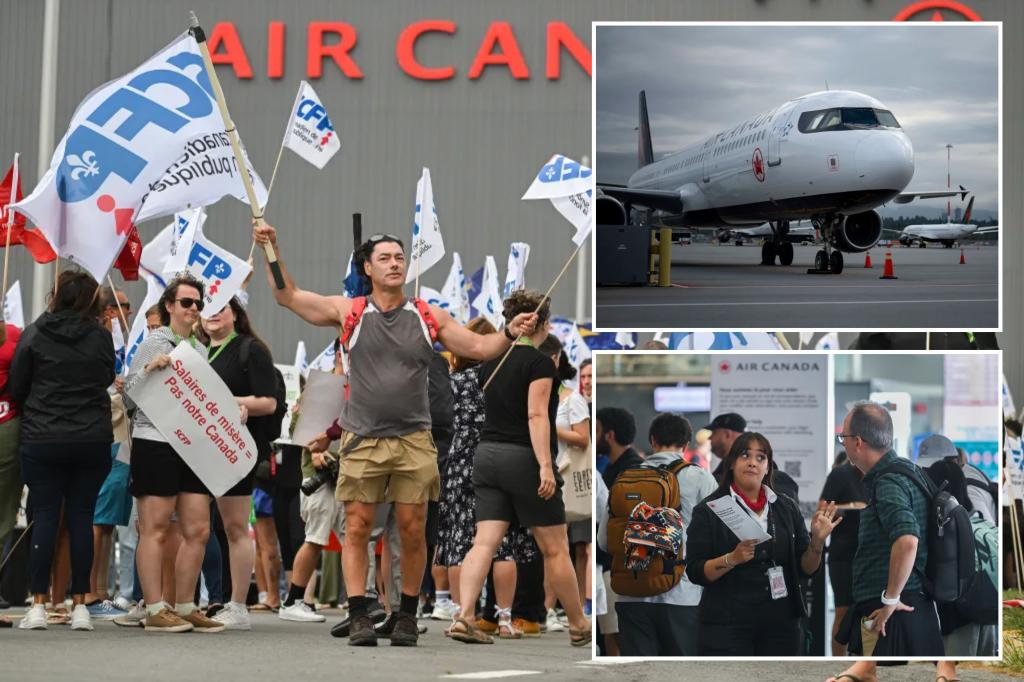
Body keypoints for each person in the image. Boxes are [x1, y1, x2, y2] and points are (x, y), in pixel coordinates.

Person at [253, 223, 537, 647]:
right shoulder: (348, 311)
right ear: (367, 267)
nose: (394, 264)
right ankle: (358, 614)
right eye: (384, 258)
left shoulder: (427, 314)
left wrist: (511, 332)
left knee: (412, 527)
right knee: (357, 526)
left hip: (413, 440)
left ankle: (405, 615)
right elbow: (287, 296)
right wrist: (271, 248)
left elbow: (478, 349)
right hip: (362, 438)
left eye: (399, 258)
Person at [447, 291, 590, 647]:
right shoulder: (541, 364)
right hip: (522, 457)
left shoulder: (490, 361)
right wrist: (545, 465)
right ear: (540, 322)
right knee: (555, 547)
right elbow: (537, 414)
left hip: (486, 455)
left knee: (484, 543)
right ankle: (577, 623)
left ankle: (465, 615)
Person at [11, 270, 116, 631]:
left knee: (45, 518)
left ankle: (38, 604)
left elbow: (17, 383)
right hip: (90, 438)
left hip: (42, 436)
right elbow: (106, 377)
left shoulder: (36, 332)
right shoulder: (100, 336)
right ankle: (80, 606)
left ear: (56, 295)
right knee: (81, 519)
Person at [124, 275, 227, 634]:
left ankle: (185, 604)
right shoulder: (155, 340)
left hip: (191, 445)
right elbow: (127, 398)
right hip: (155, 439)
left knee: (198, 527)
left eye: (199, 303)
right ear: (169, 307)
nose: (194, 309)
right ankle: (154, 607)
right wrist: (149, 372)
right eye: (187, 302)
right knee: (154, 527)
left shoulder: (200, 349)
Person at [686, 432, 840, 656]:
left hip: (780, 623)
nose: (752, 462)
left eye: (761, 457)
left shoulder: (785, 507)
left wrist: (817, 541)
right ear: (731, 464)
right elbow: (695, 571)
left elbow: (806, 569)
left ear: (768, 467)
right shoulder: (709, 509)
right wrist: (732, 559)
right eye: (745, 455)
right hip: (727, 624)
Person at [829, 402, 943, 682]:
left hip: (894, 614)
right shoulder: (907, 471)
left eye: (842, 438)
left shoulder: (888, 481)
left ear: (857, 442)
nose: (842, 444)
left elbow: (907, 539)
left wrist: (890, 599)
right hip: (908, 605)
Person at [433, 317, 526, 639]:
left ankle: (463, 614)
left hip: (460, 463)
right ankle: (504, 618)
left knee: (461, 542)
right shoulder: (508, 381)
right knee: (503, 543)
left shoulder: (454, 382)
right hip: (500, 458)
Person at [600, 413, 717, 655]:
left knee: (640, 672)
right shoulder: (699, 477)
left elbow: (604, 541)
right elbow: (717, 537)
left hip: (630, 595)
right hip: (681, 594)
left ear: (652, 440)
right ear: (686, 445)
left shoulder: (624, 478)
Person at [201, 296, 279, 629]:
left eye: (221, 308)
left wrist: (227, 402)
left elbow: (269, 403)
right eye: (207, 309)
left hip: (234, 450)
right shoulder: (197, 352)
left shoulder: (251, 349)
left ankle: (237, 605)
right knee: (194, 528)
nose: (213, 314)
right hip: (199, 449)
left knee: (234, 528)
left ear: (236, 314)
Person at [84, 285, 133, 620]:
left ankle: (100, 589)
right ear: (108, 311)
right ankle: (89, 591)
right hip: (106, 434)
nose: (126, 311)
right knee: (98, 520)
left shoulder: (122, 343)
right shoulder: (97, 342)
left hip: (122, 438)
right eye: (121, 305)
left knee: (109, 521)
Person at [593, 406, 644, 656]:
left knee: (616, 640)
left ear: (609, 435)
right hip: (615, 566)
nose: (594, 434)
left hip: (618, 568)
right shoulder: (617, 467)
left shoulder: (629, 471)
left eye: (598, 429)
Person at [546, 343, 590, 626]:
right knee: (551, 546)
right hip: (547, 474)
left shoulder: (572, 400)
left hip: (566, 476)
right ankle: (549, 608)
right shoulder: (543, 399)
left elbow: (582, 438)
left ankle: (559, 609)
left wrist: (551, 429)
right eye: (584, 376)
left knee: (560, 546)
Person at [819, 450, 867, 656]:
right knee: (843, 611)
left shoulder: (880, 475)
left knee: (870, 614)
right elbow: (822, 509)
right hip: (844, 555)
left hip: (871, 556)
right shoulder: (841, 475)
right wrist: (851, 507)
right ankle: (838, 662)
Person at [706, 412, 800, 504]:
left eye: (714, 433)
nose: (709, 438)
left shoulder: (779, 481)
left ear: (727, 435)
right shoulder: (720, 476)